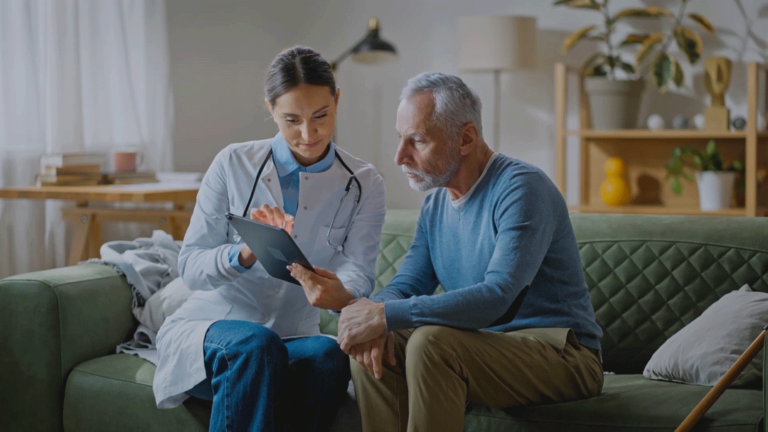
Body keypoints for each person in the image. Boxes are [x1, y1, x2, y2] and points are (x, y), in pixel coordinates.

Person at [334, 72, 604, 432]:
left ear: (466, 139)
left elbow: (497, 297)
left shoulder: (521, 188)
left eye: (417, 141)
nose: (400, 157)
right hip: (484, 348)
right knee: (378, 340)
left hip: (563, 355)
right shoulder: (435, 208)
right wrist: (375, 315)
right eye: (401, 139)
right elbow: (405, 285)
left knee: (430, 343)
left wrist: (385, 314)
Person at [152, 46, 386, 432]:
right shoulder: (232, 163)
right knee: (256, 346)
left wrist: (339, 293)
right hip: (215, 330)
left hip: (293, 335)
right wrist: (244, 253)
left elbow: (359, 272)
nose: (309, 134)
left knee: (328, 356)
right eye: (291, 120)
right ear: (270, 109)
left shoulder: (364, 182)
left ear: (337, 100)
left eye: (321, 117)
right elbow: (191, 267)